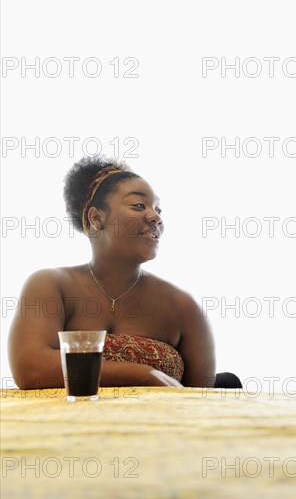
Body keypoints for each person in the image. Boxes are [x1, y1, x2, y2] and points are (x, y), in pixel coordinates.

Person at [8, 156, 242, 390]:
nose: (156, 217)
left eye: (158, 209)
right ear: (96, 218)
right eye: (139, 206)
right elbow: (31, 369)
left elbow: (204, 409)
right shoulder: (52, 285)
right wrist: (144, 374)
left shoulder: (184, 307)